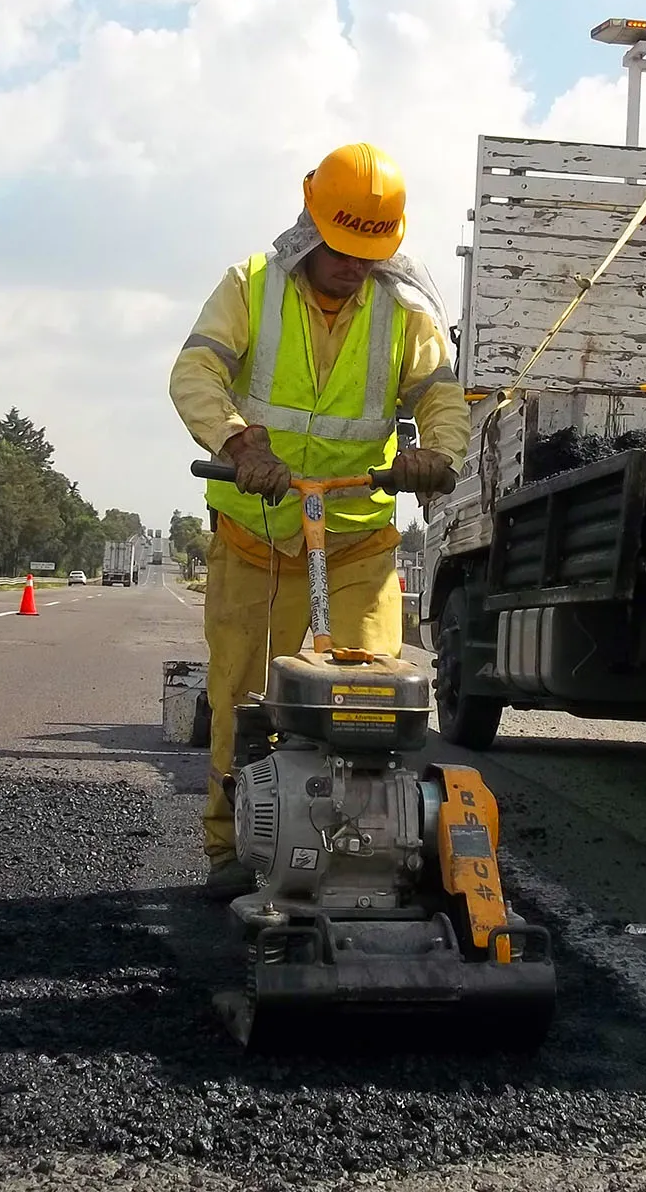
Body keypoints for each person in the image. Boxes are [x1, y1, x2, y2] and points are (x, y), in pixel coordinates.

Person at [170, 143, 471, 899]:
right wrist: (240, 441)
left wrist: (434, 452)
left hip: (356, 543)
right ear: (312, 223)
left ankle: (370, 851)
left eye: (369, 252)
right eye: (341, 248)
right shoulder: (251, 285)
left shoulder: (405, 308)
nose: (353, 265)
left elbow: (440, 393)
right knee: (242, 699)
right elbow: (195, 371)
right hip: (253, 538)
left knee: (374, 703)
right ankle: (230, 849)